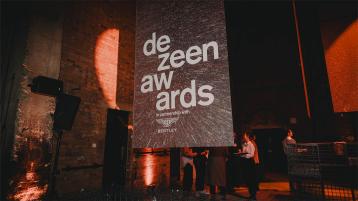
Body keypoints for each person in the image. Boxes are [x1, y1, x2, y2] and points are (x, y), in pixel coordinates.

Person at [238, 132, 258, 200]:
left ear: (248, 137)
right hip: (245, 162)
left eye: (245, 136)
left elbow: (251, 154)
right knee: (247, 179)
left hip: (250, 162)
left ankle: (253, 195)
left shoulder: (251, 144)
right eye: (243, 136)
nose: (244, 137)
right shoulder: (244, 144)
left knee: (251, 179)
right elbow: (243, 153)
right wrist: (241, 153)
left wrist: (244, 155)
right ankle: (251, 194)